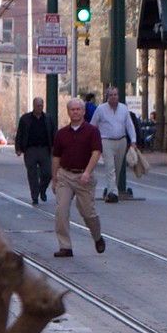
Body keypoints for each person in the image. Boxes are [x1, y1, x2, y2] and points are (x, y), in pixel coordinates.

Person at [51, 96, 106, 257]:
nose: (75, 112)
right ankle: (65, 246)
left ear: (83, 112)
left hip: (84, 176)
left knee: (88, 213)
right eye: (72, 109)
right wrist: (54, 179)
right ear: (68, 112)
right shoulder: (61, 133)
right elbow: (56, 158)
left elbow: (96, 152)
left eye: (78, 109)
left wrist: (88, 172)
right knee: (61, 210)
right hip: (65, 175)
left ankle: (97, 236)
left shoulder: (92, 131)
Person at [90, 84, 136, 203]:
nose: (113, 97)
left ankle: (110, 189)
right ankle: (113, 193)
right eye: (111, 95)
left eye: (115, 95)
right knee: (110, 168)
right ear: (107, 96)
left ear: (118, 96)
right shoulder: (100, 109)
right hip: (106, 141)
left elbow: (129, 126)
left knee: (117, 168)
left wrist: (133, 142)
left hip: (121, 141)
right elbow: (92, 126)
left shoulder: (124, 109)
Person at [14, 97, 54, 205]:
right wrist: (18, 148)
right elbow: (20, 134)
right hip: (30, 149)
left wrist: (54, 149)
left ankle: (42, 189)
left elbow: (53, 134)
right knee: (32, 174)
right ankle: (35, 196)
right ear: (33, 106)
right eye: (38, 106)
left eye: (41, 106)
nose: (40, 108)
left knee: (48, 172)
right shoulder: (25, 119)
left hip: (45, 149)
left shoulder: (48, 119)